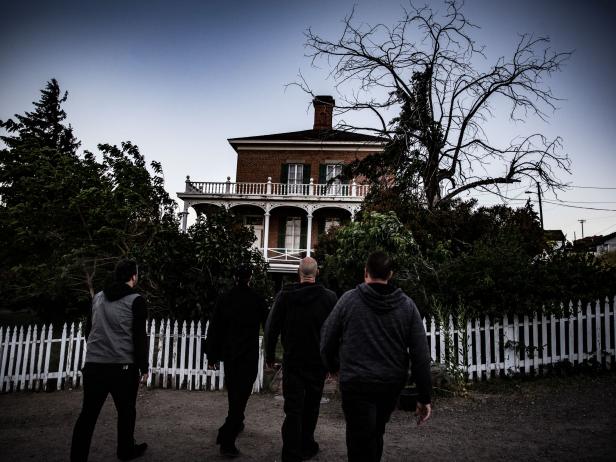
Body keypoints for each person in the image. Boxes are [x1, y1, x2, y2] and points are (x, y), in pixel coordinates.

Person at [320, 251, 432, 462]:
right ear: (390, 274)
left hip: (355, 382)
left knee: (358, 438)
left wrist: (333, 366)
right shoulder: (407, 306)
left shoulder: (348, 300)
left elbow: (326, 338)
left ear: (366, 272)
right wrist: (424, 397)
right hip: (389, 384)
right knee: (376, 432)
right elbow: (420, 354)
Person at [70, 259, 149, 462]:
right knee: (126, 412)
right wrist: (144, 366)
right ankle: (125, 450)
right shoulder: (136, 300)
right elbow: (139, 337)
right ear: (133, 276)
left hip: (94, 366)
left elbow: (89, 330)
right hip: (122, 367)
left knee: (87, 415)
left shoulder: (97, 298)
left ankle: (78, 457)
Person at [265, 257, 338, 462]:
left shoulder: (285, 296)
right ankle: (306, 445)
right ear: (317, 272)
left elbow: (272, 328)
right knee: (312, 406)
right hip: (317, 362)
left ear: (299, 272)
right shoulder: (329, 298)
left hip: (293, 361)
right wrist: (333, 364)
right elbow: (335, 334)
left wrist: (270, 356)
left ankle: (290, 452)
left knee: (293, 408)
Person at [205, 264, 269, 458]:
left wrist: (212, 355)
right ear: (250, 278)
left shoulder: (225, 299)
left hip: (231, 355)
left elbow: (215, 328)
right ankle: (227, 439)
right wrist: (271, 354)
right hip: (248, 355)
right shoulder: (257, 300)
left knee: (235, 394)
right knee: (242, 396)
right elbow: (268, 326)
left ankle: (232, 424)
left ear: (235, 277)